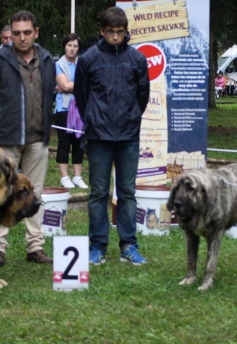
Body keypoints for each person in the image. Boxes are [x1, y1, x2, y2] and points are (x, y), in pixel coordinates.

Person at [0, 10, 55, 267]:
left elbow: (49, 96)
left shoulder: (46, 59)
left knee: (36, 193)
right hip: (5, 139)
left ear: (36, 33)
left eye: (27, 33)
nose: (21, 38)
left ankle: (35, 246)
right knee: (2, 192)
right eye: (16, 33)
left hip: (37, 138)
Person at [74, 6, 150, 265]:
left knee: (127, 192)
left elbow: (143, 96)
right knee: (98, 192)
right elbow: (82, 97)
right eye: (110, 32)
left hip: (129, 135)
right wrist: (93, 119)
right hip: (98, 137)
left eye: (119, 32)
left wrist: (130, 117)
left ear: (126, 32)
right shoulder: (88, 59)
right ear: (101, 31)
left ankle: (129, 245)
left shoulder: (137, 59)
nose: (115, 37)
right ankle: (97, 246)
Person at [55, 33, 87, 190]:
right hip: (64, 108)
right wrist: (80, 85)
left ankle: (77, 177)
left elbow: (68, 86)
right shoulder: (58, 65)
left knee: (79, 142)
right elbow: (65, 86)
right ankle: (64, 177)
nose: (72, 49)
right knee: (64, 143)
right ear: (64, 46)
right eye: (69, 45)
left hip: (81, 107)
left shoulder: (83, 64)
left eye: (75, 46)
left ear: (78, 48)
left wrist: (67, 86)